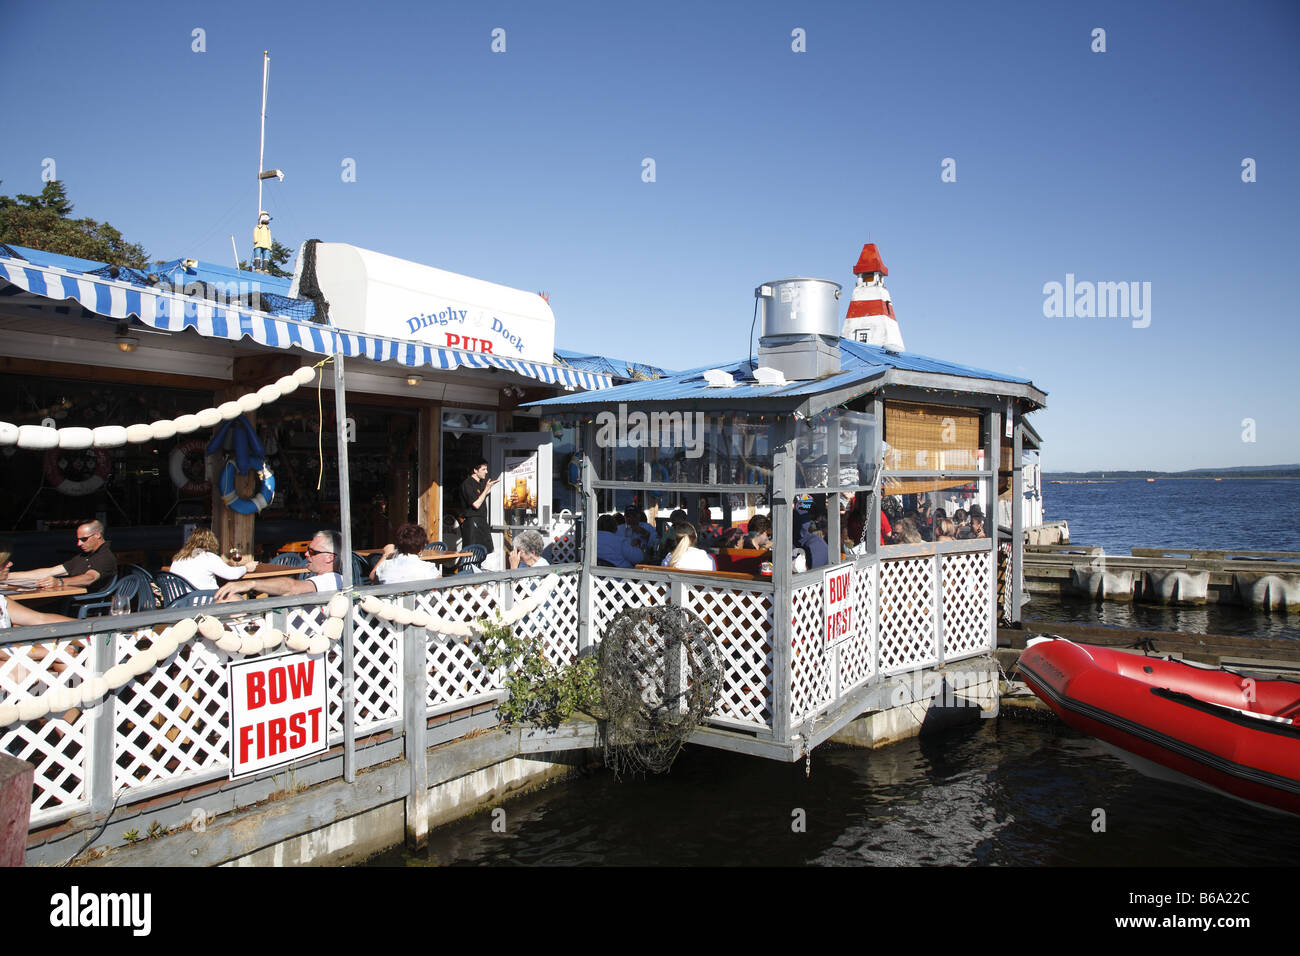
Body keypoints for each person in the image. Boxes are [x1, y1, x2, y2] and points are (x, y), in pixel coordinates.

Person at [216, 531, 343, 601]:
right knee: (230, 599)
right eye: (307, 550)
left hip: (297, 639)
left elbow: (292, 587)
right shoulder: (337, 580)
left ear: (329, 557)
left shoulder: (332, 580)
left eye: (312, 552)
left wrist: (252, 584)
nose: (306, 554)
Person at [7, 520, 117, 590]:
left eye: (83, 539)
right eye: (78, 539)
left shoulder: (105, 557)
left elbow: (90, 578)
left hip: (88, 604)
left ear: (97, 535)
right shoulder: (84, 556)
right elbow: (50, 571)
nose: (79, 543)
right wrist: (6, 576)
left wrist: (59, 582)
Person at [0, 542, 73, 628]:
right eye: (4, 562)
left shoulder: (2, 601)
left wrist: (88, 625)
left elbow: (41, 619)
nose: (10, 564)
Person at [169, 528, 256, 591]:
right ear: (212, 542)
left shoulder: (178, 558)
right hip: (201, 600)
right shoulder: (207, 557)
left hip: (179, 601)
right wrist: (246, 568)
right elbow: (232, 574)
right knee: (236, 598)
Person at [370, 523, 437, 584]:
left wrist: (385, 555)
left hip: (391, 597)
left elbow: (372, 577)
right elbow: (443, 585)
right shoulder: (428, 569)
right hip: (418, 597)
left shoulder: (385, 566)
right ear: (421, 549)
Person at [458, 461, 498, 559]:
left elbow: (481, 496)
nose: (486, 472)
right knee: (473, 553)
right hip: (473, 522)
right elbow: (476, 504)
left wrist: (487, 488)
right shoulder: (468, 484)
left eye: (486, 469)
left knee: (487, 551)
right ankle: (469, 573)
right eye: (483, 469)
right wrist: (486, 489)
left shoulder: (480, 483)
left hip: (482, 521)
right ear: (475, 470)